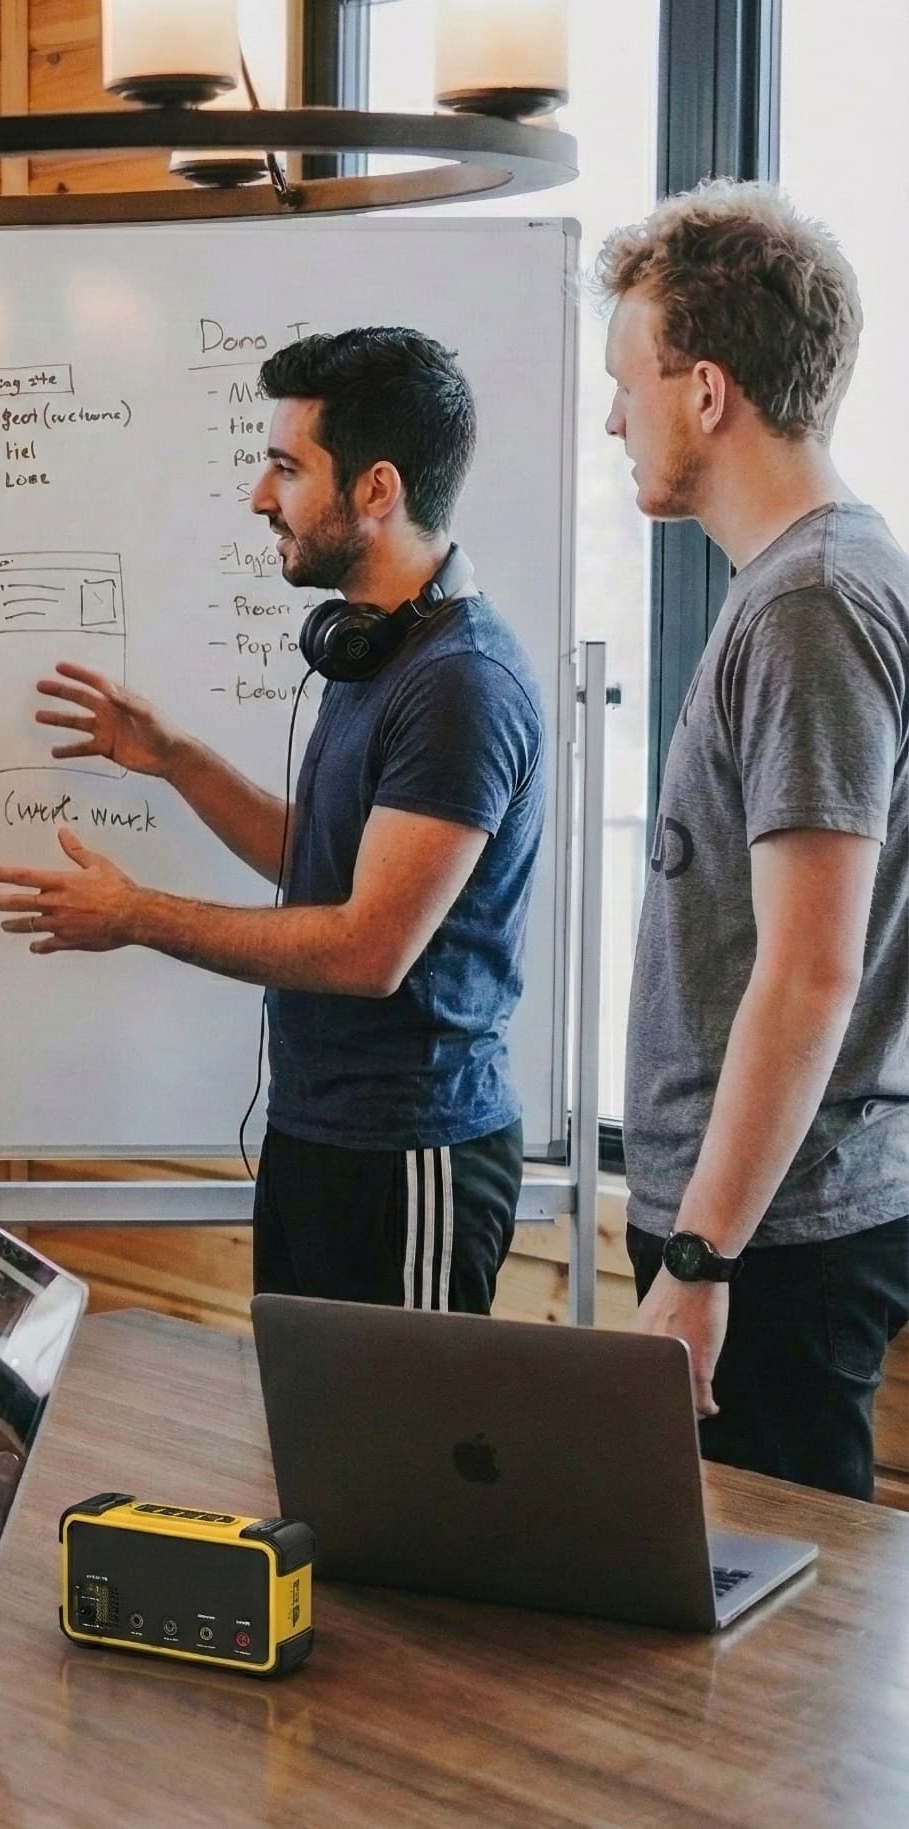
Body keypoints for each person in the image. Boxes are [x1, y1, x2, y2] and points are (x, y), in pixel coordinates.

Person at [0, 327, 545, 1316]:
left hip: (407, 1153)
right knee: (304, 1418)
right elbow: (321, 861)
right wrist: (177, 760)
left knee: (390, 1423)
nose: (257, 495)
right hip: (320, 1134)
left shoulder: (459, 684)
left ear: (376, 489)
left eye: (286, 467)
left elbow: (367, 947)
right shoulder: (375, 650)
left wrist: (135, 914)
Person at [600, 180, 909, 1500]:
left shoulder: (810, 605)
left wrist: (699, 1258)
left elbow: (811, 970)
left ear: (706, 392)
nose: (613, 419)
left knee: (774, 1621)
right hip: (752, 1231)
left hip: (766, 1249)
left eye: (626, 384)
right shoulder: (805, 582)